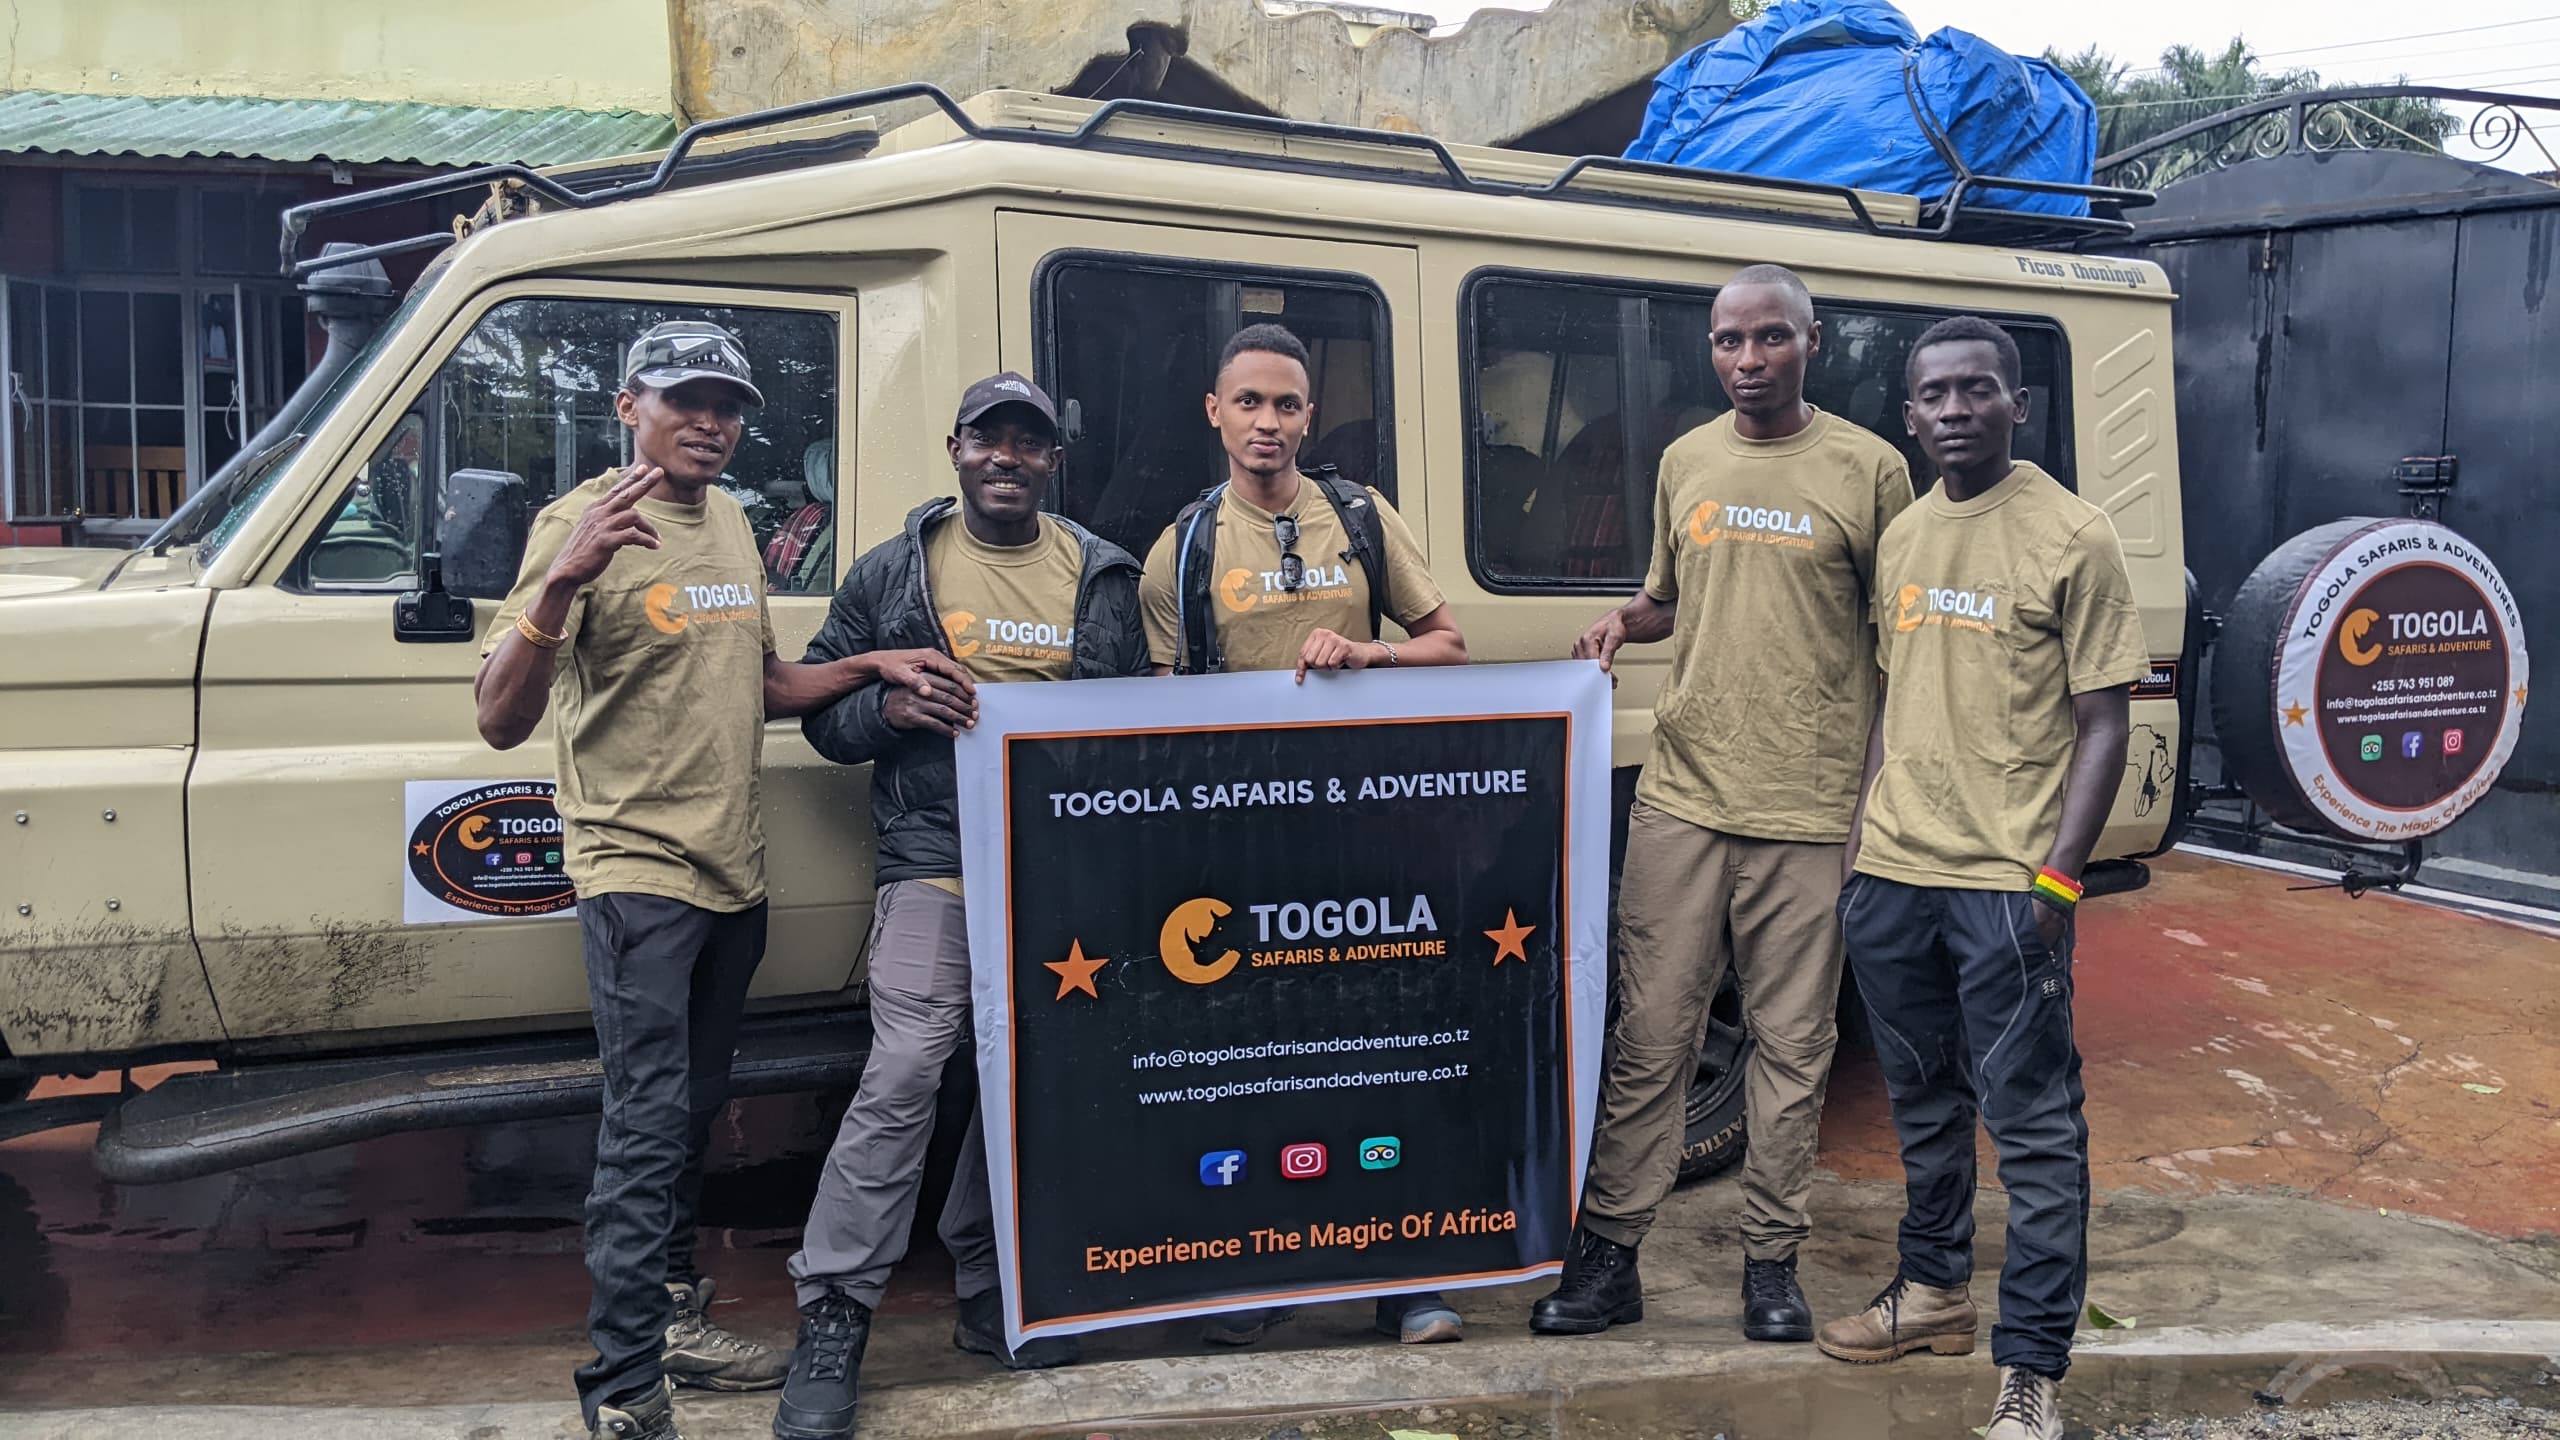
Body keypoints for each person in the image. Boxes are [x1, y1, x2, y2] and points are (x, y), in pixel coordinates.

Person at [477, 321, 969, 1440]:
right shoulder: (580, 524)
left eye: (727, 406)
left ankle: (669, 1317)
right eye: (684, 400)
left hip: (731, 874)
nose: (709, 423)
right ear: (628, 407)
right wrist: (561, 585)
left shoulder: (735, 523)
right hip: (637, 872)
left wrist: (871, 666)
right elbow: (501, 718)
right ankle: (623, 1388)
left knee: (693, 1113)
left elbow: (762, 683)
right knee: (645, 1123)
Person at [1534, 265, 1912, 1346]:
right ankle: (1610, 1258)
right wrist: (1622, 622)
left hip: (1810, 810)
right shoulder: (1686, 459)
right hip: (1685, 797)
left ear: (1812, 342)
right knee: (1650, 1036)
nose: (1748, 360)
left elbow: (1900, 652)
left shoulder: (1869, 470)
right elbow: (1670, 597)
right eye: (1728, 341)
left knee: (1792, 1049)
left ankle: (1770, 1264)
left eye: (1770, 338)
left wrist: (1870, 810)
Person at [772, 374, 1151, 1440]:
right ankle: (834, 1313)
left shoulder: (1103, 575)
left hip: (1061, 870)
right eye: (990, 440)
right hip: (934, 860)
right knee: (904, 1067)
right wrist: (889, 712)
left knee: (1025, 1079)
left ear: (1052, 461)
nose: (1007, 458)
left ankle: (991, 1291)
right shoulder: (893, 569)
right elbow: (823, 718)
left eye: (1028, 442)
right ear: (956, 449)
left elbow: (1141, 728)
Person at [1815, 316, 2145, 1440]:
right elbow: (1891, 699)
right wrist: (1859, 850)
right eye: (1934, 394)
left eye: (1976, 390)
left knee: (2035, 1127)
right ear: (1908, 414)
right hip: (1893, 878)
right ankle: (1931, 1293)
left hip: (2009, 887)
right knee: (1922, 1105)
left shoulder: (2073, 535)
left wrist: (2059, 882)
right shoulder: (1905, 536)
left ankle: (2032, 1370)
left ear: (2018, 404)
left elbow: (2105, 723)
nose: (1954, 409)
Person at [1136, 322, 1469, 1346]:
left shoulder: (1359, 515)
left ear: (1308, 417)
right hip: (1243, 851)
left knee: (1382, 1050)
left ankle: (1406, 1279)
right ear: (1214, 413)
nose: (1267, 423)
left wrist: (1371, 655)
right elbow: (1165, 713)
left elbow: (1449, 646)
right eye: (1248, 402)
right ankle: (1259, 1273)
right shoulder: (1182, 547)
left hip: (1369, 836)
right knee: (1255, 1062)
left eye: (1285, 404)